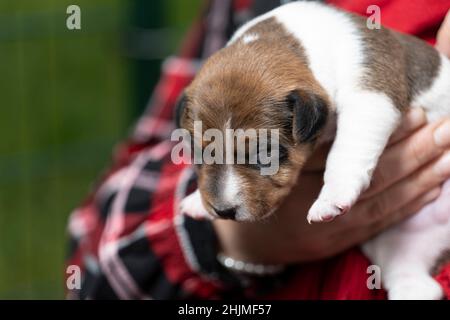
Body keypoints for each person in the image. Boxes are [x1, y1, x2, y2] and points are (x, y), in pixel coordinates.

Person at [66, 0, 450, 299]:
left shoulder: (350, 54)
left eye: (261, 155)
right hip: (389, 237)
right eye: (207, 152)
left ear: (307, 115)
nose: (226, 197)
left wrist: (343, 178)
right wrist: (226, 241)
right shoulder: (244, 33)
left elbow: (375, 103)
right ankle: (407, 276)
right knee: (396, 256)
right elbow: (94, 267)